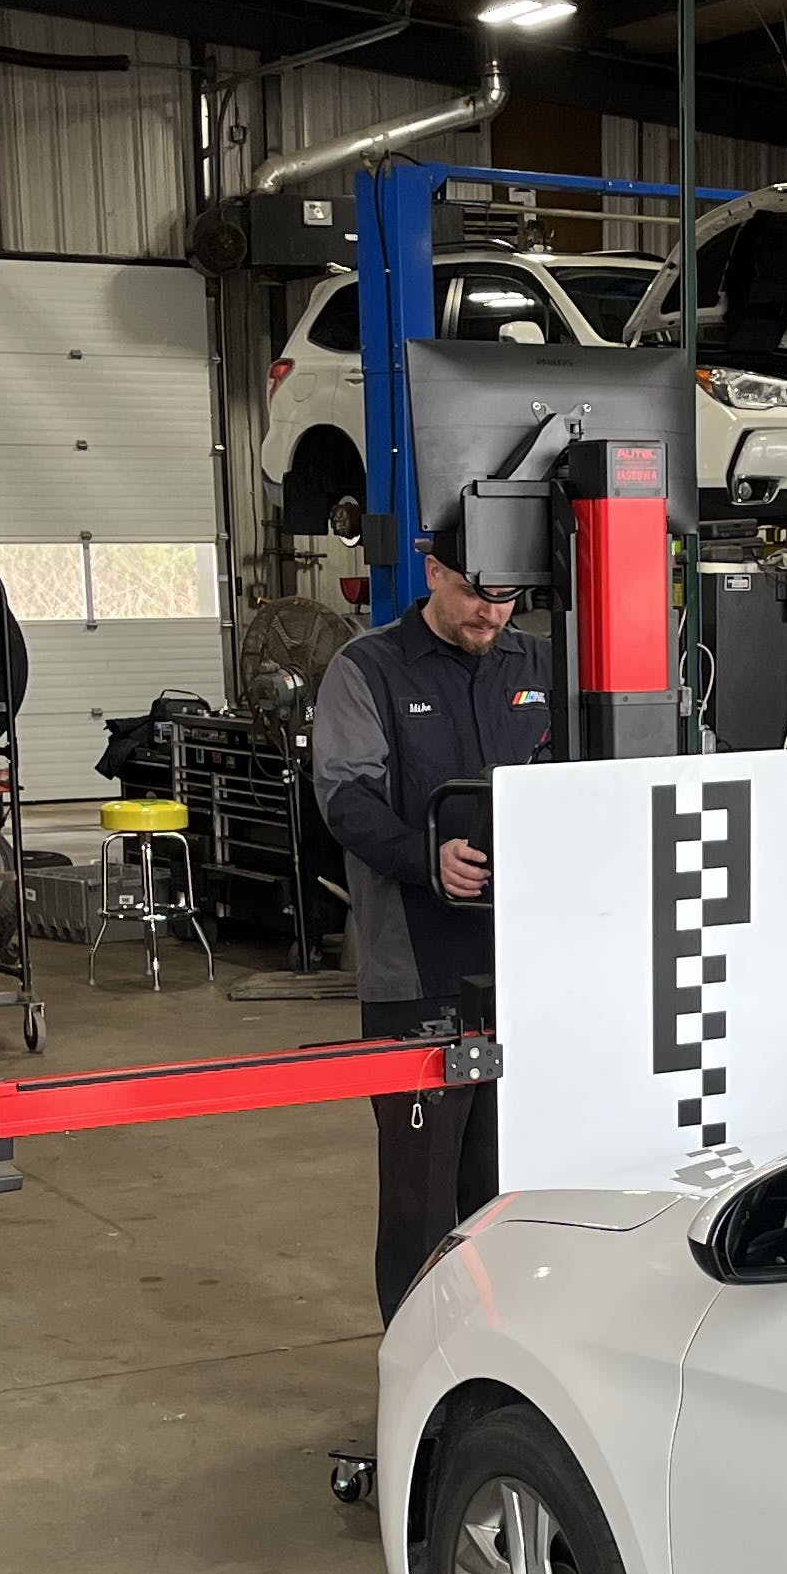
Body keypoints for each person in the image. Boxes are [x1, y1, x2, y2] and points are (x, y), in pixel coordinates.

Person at [309, 542, 561, 1315]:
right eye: (475, 594)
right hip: (415, 971)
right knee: (421, 1200)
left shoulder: (543, 666)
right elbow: (343, 795)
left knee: (511, 1190)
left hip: (530, 971)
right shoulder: (369, 668)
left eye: (509, 597)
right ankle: (415, 1371)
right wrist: (426, 856)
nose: (491, 613)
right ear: (433, 574)